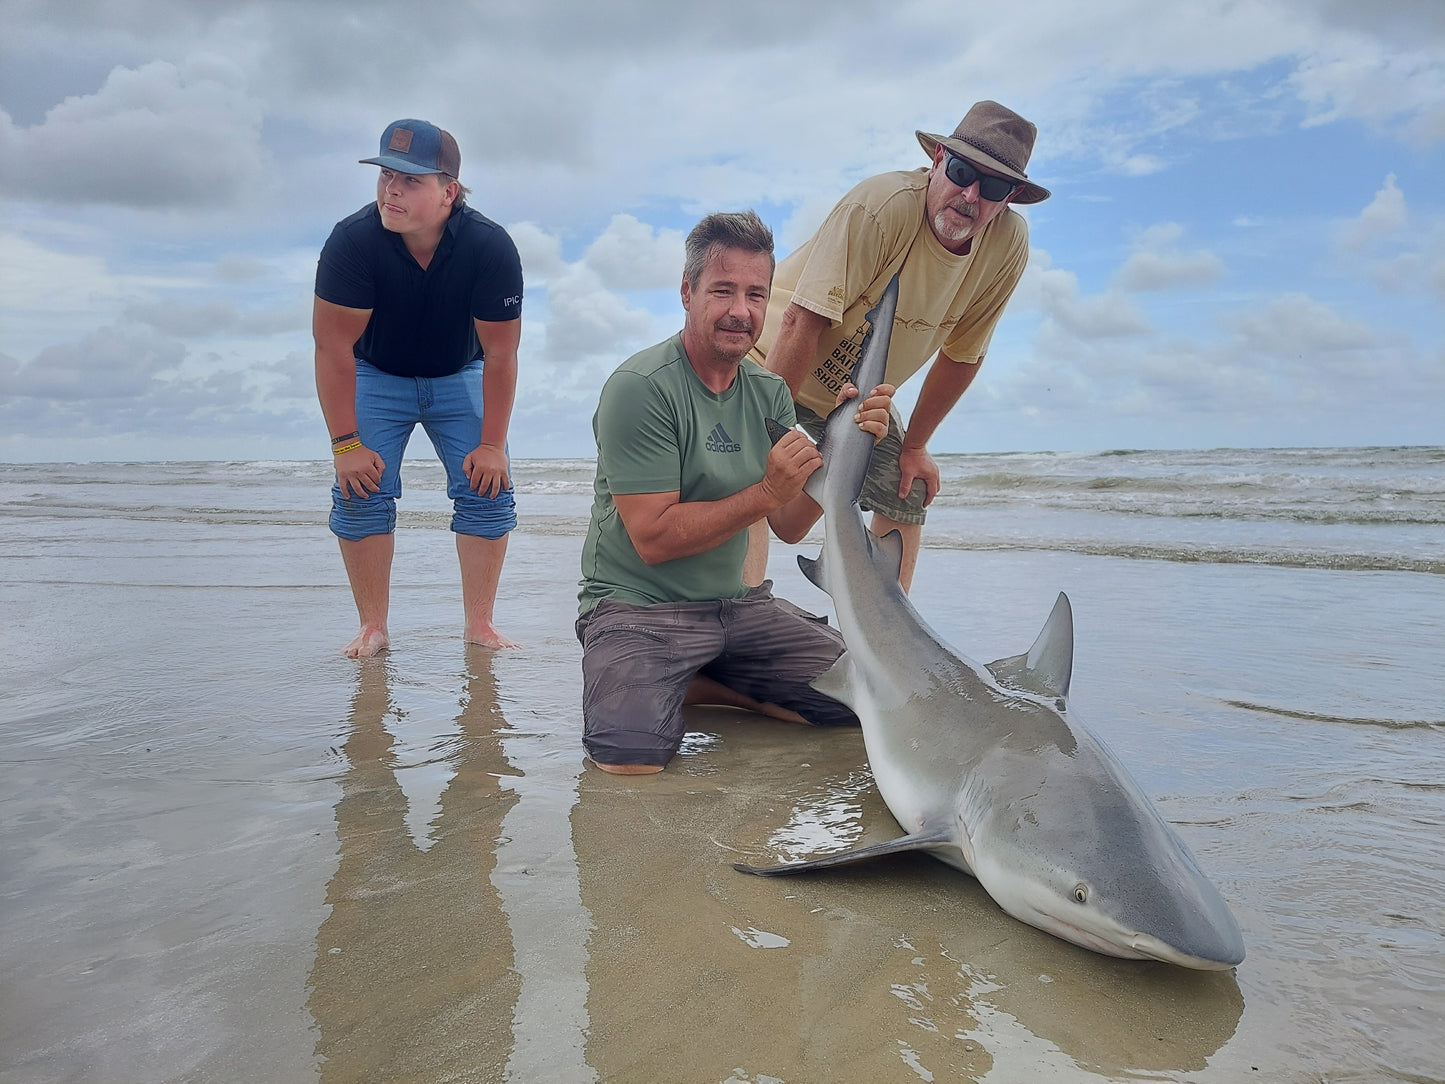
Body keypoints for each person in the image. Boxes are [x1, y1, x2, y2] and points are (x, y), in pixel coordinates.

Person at [576, 211, 894, 775]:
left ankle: (707, 682)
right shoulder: (640, 389)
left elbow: (789, 523)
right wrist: (766, 489)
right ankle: (692, 679)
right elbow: (653, 538)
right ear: (686, 292)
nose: (740, 311)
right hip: (637, 607)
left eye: (755, 294)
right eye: (722, 290)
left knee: (862, 702)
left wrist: (847, 448)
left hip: (735, 607)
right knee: (631, 759)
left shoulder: (769, 391)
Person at [745, 100, 1049, 591]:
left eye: (991, 186)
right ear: (936, 162)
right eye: (961, 171)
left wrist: (916, 447)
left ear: (1009, 197)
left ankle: (883, 649)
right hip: (770, 363)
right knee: (759, 493)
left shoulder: (1007, 246)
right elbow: (801, 322)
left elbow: (963, 354)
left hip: (855, 398)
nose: (969, 194)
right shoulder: (881, 208)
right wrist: (765, 433)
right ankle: (741, 615)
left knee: (908, 488)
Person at [314, 118, 524, 658]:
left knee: (487, 487)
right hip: (375, 374)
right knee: (360, 492)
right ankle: (372, 627)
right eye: (386, 175)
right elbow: (333, 350)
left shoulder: (489, 247)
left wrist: (494, 444)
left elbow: (501, 353)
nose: (391, 190)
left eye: (410, 180)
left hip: (461, 375)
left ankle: (480, 625)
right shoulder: (352, 243)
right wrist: (344, 444)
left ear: (448, 191)